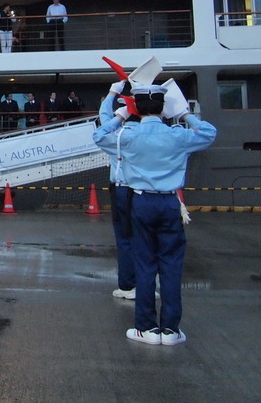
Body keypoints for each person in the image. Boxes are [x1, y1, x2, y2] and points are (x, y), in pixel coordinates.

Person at [92, 84, 216, 346]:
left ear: (136, 107)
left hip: (140, 201)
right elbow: (208, 132)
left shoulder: (128, 135)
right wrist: (184, 114)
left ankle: (145, 327)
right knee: (171, 265)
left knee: (145, 264)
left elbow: (100, 135)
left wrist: (121, 115)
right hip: (171, 202)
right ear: (163, 108)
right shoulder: (178, 134)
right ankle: (171, 330)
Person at [96, 84, 139, 300]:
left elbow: (102, 119)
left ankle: (127, 285)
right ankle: (146, 284)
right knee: (147, 240)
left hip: (122, 189)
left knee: (124, 239)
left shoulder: (116, 134)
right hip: (147, 190)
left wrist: (112, 92)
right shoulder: (147, 133)